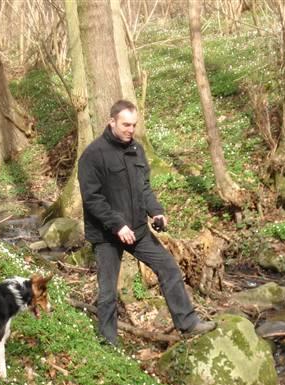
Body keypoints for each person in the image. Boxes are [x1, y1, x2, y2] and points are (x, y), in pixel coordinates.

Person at [78, 99, 216, 346]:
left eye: (134, 125)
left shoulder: (136, 150)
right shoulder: (93, 155)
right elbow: (92, 199)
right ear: (112, 122)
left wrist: (156, 212)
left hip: (138, 231)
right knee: (108, 291)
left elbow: (144, 188)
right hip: (107, 234)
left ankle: (188, 323)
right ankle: (108, 343)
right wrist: (117, 225)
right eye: (125, 125)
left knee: (169, 268)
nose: (130, 130)